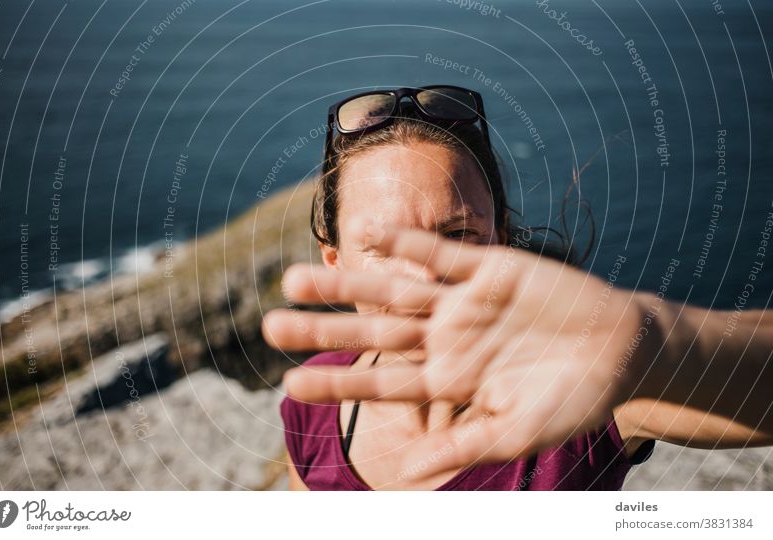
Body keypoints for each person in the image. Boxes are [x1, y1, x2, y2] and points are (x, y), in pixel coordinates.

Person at [263, 85, 773, 490]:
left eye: (459, 235)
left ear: (501, 239)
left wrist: (651, 341)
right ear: (334, 258)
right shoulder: (315, 405)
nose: (423, 277)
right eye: (382, 245)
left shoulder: (574, 380)